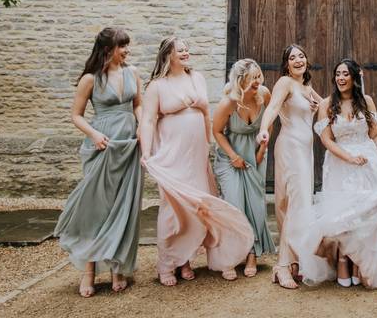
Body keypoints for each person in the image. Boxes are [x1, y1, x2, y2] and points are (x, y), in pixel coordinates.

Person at [138, 36, 254, 285]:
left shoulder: (197, 78)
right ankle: (168, 264)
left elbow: (205, 114)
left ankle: (186, 259)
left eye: (187, 49)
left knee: (198, 207)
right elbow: (147, 121)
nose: (185, 53)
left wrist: (207, 144)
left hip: (196, 152)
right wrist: (146, 152)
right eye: (180, 50)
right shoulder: (157, 86)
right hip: (171, 153)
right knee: (173, 208)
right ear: (168, 55)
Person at [54, 27, 144, 298]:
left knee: (123, 207)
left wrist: (141, 125)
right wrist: (94, 134)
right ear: (107, 49)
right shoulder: (90, 79)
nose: (126, 50)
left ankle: (118, 267)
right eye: (121, 46)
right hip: (102, 146)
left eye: (127, 45)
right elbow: (76, 115)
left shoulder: (133, 72)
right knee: (97, 208)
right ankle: (89, 271)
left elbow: (139, 104)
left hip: (129, 145)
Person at [298, 59, 377, 289]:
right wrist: (349, 158)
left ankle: (357, 262)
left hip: (367, 161)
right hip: (340, 163)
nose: (341, 78)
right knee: (343, 215)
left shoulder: (367, 102)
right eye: (338, 74)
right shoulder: (326, 104)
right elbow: (326, 139)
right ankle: (343, 259)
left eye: (345, 74)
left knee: (365, 213)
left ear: (354, 77)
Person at [256, 44, 321, 289]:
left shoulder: (307, 87)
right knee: (295, 204)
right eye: (292, 58)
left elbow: (328, 105)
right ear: (286, 64)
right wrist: (264, 129)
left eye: (301, 56)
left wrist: (357, 84)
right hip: (290, 148)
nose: (297, 60)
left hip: (305, 152)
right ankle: (283, 266)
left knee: (295, 205)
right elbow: (272, 107)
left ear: (307, 60)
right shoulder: (285, 82)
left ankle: (293, 262)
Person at [212, 58, 276, 277]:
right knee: (234, 203)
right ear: (240, 81)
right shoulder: (229, 102)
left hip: (255, 152)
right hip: (230, 155)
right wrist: (233, 156)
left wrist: (260, 153)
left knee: (256, 204)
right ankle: (229, 256)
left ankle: (252, 254)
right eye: (252, 79)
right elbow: (217, 132)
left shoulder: (265, 94)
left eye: (258, 77)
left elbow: (269, 124)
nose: (257, 82)